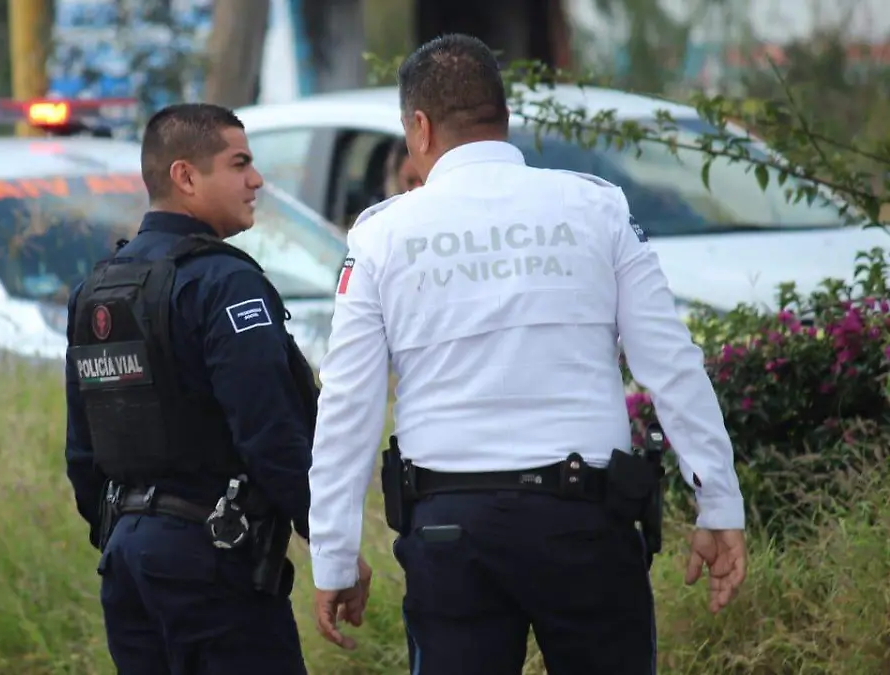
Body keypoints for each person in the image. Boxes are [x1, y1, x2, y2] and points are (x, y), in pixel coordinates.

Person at [305, 34, 747, 675]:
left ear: (419, 127)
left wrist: (335, 556)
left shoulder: (382, 236)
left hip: (449, 532)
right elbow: (671, 364)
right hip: (584, 520)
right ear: (503, 116)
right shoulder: (596, 207)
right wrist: (719, 503)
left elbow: (347, 406)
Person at [63, 102, 362, 674]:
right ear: (185, 176)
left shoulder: (95, 289)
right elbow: (271, 433)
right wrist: (332, 548)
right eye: (239, 164)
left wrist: (129, 537)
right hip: (212, 562)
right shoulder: (225, 282)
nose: (257, 180)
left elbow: (83, 453)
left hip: (127, 562)